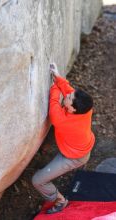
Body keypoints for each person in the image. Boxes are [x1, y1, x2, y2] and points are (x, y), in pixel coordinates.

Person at [32, 63, 95, 214]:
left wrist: (55, 85)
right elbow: (70, 91)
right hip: (82, 145)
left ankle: (60, 201)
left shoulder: (61, 120)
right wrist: (58, 76)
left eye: (68, 98)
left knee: (38, 181)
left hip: (74, 157)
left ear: (72, 109)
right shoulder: (85, 108)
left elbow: (54, 100)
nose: (67, 95)